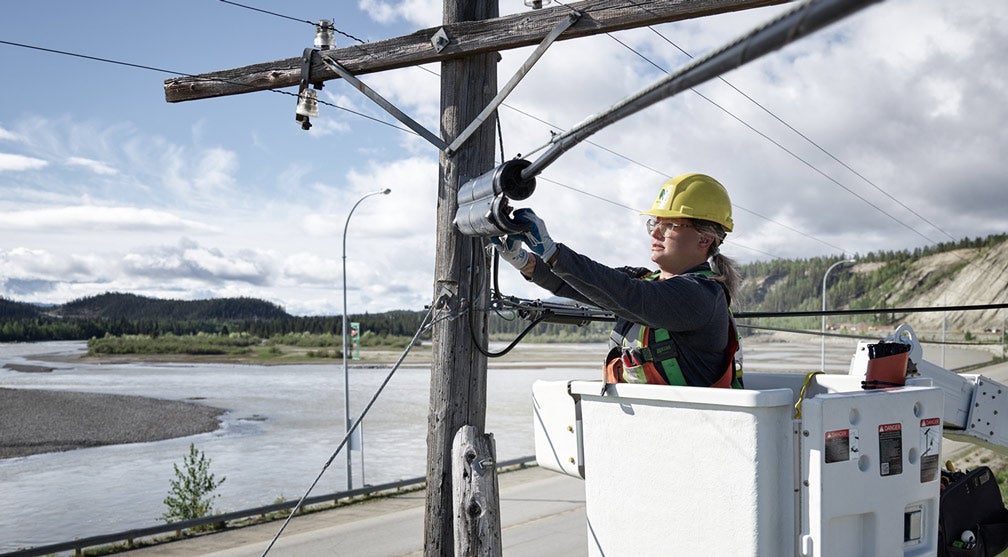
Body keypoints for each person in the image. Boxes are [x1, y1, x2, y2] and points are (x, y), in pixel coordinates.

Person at [492, 173, 743, 388]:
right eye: (655, 223)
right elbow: (589, 286)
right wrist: (527, 262)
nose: (655, 233)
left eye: (670, 225)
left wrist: (553, 252)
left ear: (704, 239)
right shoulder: (647, 280)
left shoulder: (701, 296)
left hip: (691, 431)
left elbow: (630, 295)